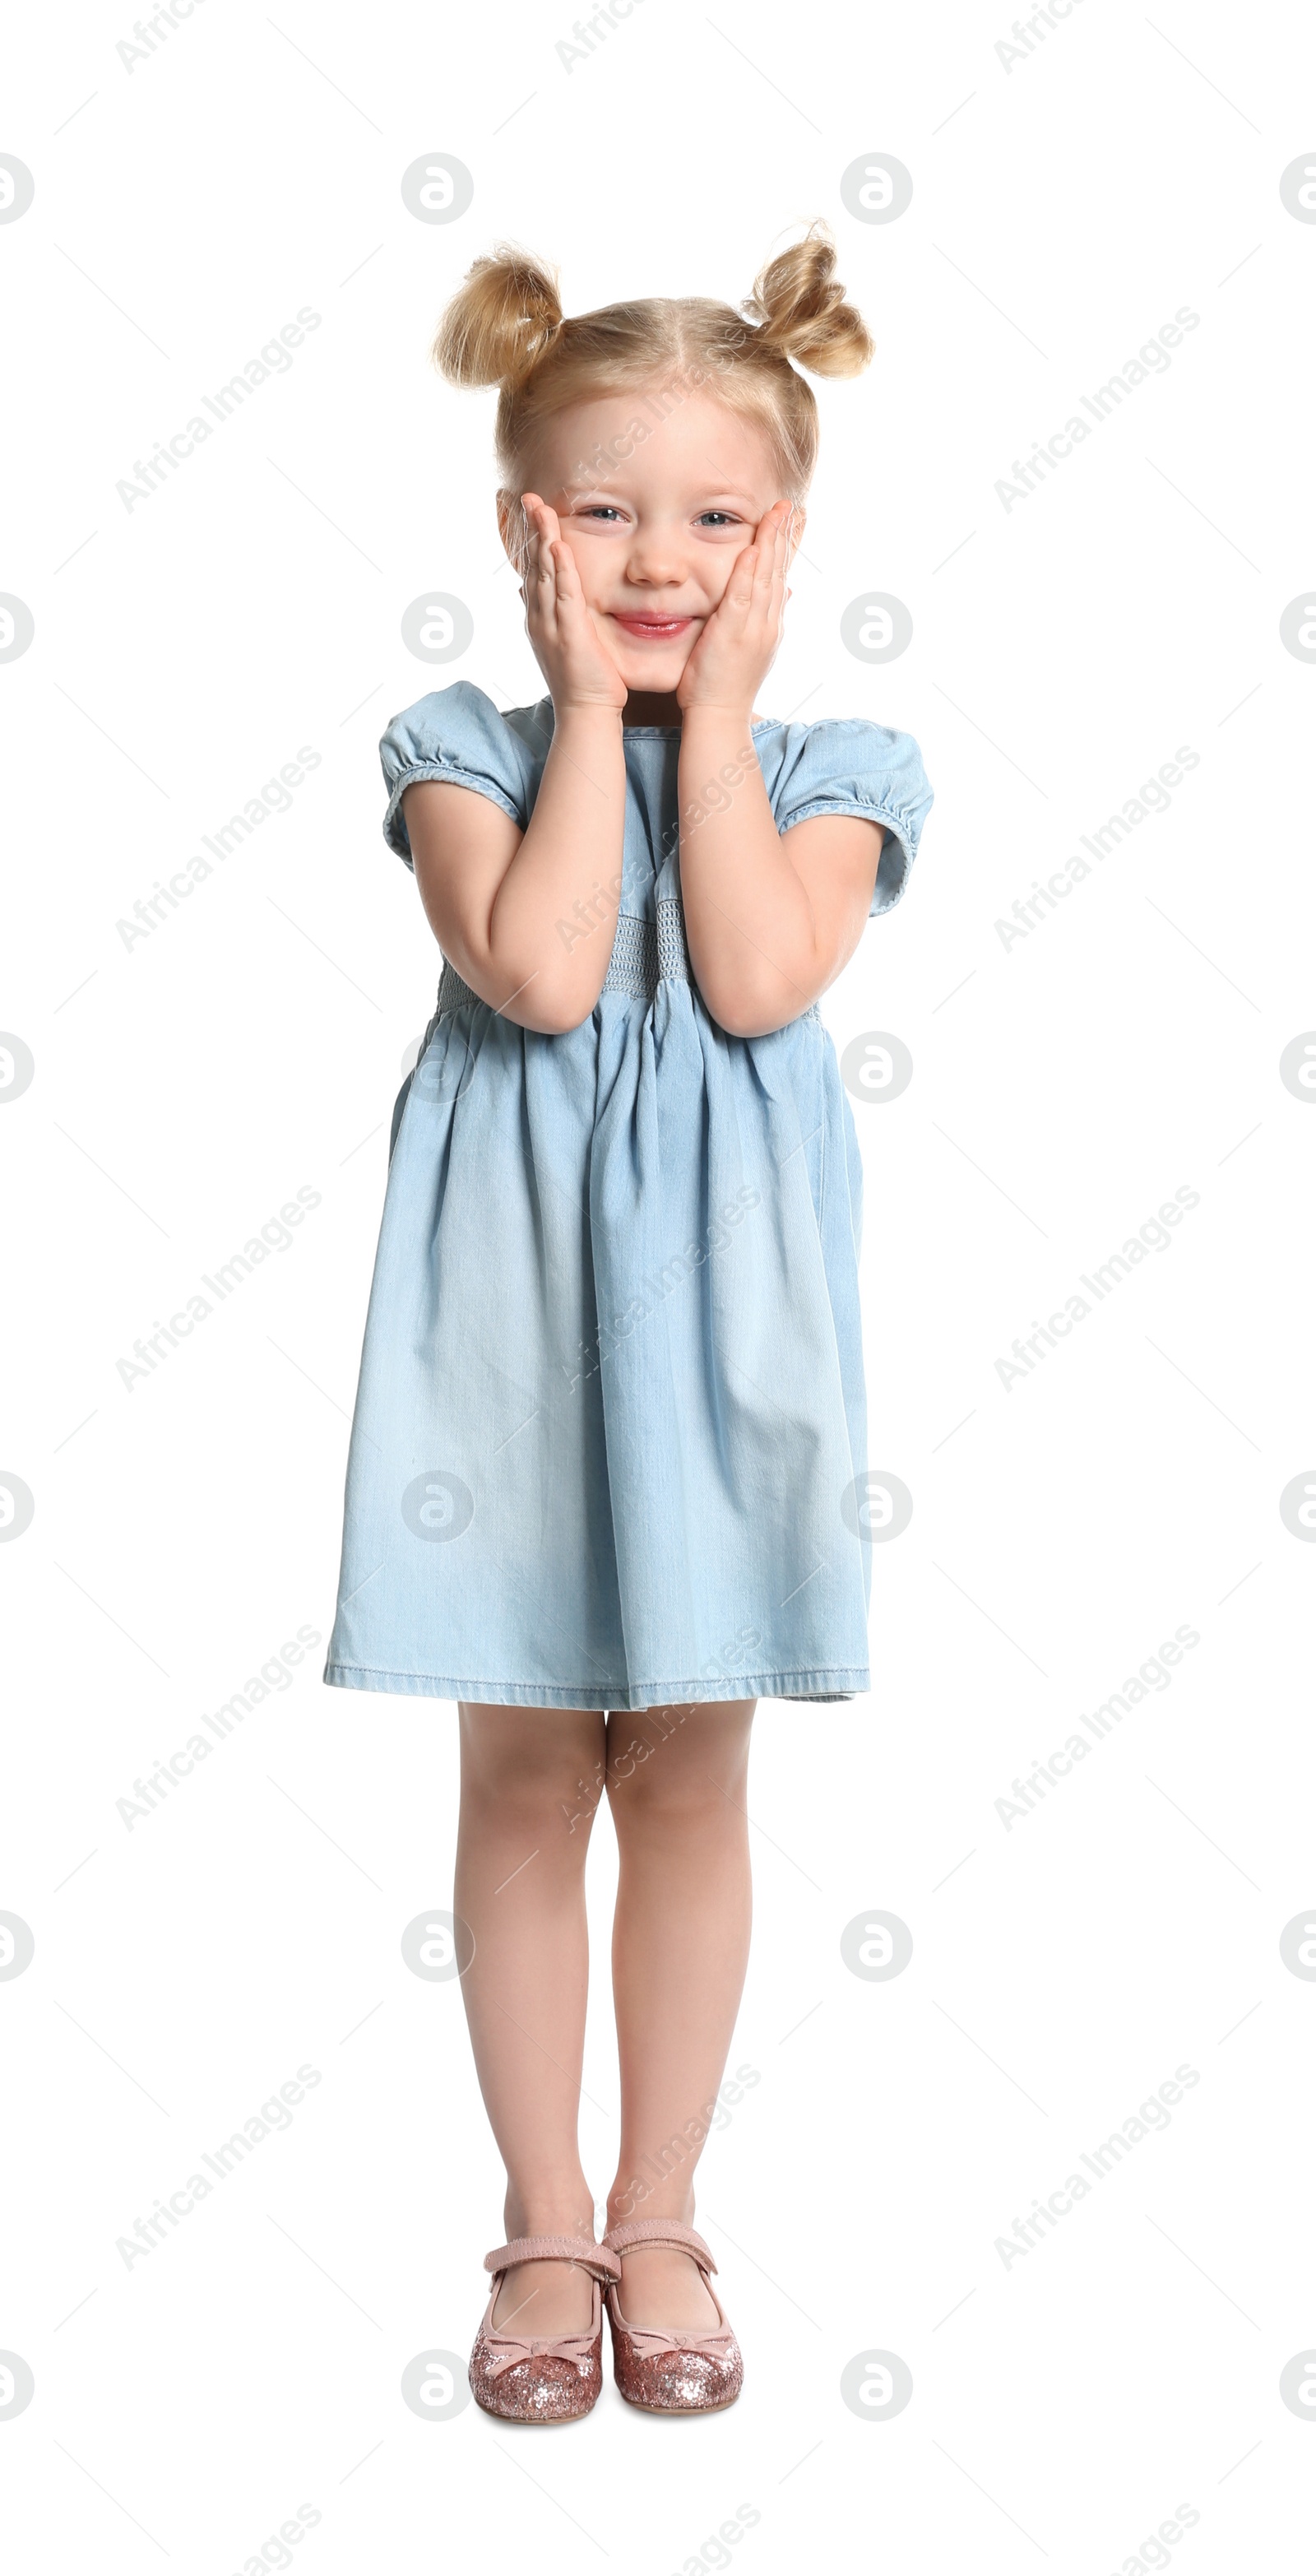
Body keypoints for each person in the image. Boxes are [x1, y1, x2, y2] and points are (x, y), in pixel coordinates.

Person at [324, 225, 933, 2420]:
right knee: (517, 1760)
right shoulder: (460, 746)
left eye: (712, 516)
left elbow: (757, 976)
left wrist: (724, 718)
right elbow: (550, 967)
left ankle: (664, 2204)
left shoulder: (840, 761)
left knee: (686, 1763)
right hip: (504, 1337)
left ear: (784, 540)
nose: (657, 554)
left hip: (725, 1351)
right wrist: (589, 704)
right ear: (523, 527)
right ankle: (544, 2224)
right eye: (603, 508)